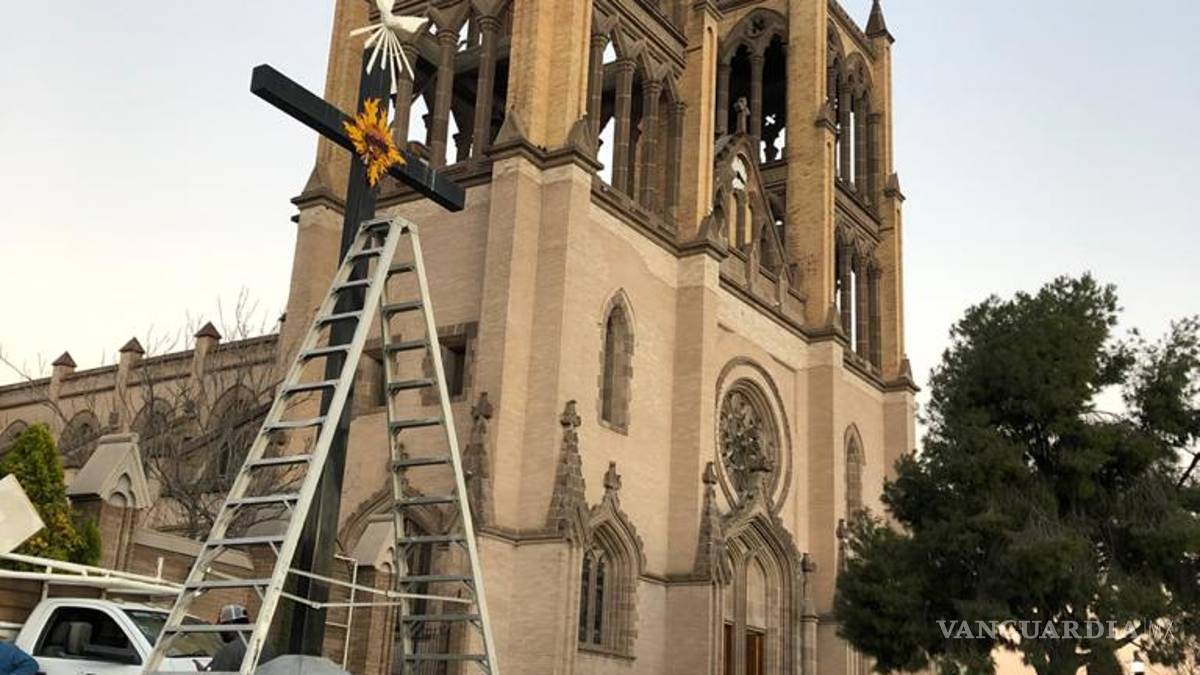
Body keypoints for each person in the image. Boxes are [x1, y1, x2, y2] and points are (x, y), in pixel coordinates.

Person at [207, 604, 258, 672]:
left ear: (229, 624)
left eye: (220, 625)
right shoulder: (263, 644)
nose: (219, 630)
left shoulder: (229, 651)